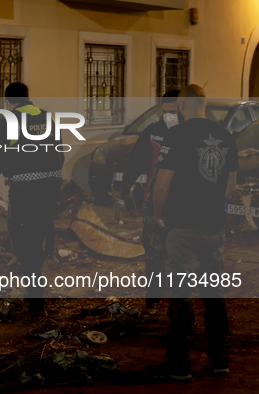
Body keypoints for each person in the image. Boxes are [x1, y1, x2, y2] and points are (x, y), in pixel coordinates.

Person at [145, 84, 238, 380]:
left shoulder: (176, 135)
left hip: (182, 225)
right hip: (213, 225)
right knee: (214, 294)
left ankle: (180, 365)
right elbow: (230, 188)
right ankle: (220, 361)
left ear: (182, 106)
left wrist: (159, 217)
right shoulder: (226, 137)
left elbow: (162, 185)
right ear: (205, 105)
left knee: (182, 295)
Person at [0, 82, 64, 312]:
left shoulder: (9, 120)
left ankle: (33, 290)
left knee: (21, 235)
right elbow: (58, 149)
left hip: (26, 187)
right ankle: (41, 254)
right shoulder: (46, 117)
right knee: (38, 228)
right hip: (51, 184)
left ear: (8, 102)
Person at [121, 90, 180, 309]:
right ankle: (154, 295)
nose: (169, 116)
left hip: (185, 205)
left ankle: (179, 300)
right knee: (154, 251)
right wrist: (125, 190)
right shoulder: (153, 131)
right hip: (155, 202)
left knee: (179, 254)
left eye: (173, 111)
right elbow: (135, 161)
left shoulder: (192, 134)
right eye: (165, 112)